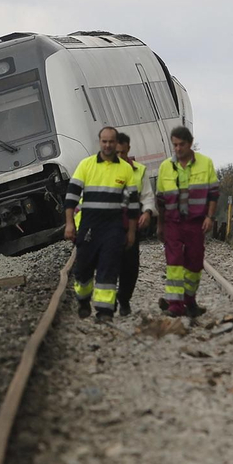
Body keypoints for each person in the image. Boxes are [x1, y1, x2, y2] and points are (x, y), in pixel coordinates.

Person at [64, 126, 139, 323]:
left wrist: (131, 232)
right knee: (83, 269)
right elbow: (71, 197)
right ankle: (83, 299)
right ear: (100, 142)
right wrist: (69, 224)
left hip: (112, 227)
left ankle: (105, 311)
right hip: (89, 225)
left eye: (111, 142)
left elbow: (132, 205)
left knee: (109, 267)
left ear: (116, 143)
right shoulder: (86, 165)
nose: (107, 145)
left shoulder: (125, 169)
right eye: (104, 141)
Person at [155, 125, 219, 319]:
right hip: (173, 221)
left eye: (181, 145)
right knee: (174, 263)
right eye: (174, 145)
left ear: (190, 144)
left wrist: (209, 217)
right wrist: (160, 225)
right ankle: (175, 304)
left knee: (194, 263)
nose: (177, 149)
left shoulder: (205, 164)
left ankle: (189, 299)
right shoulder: (166, 166)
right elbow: (160, 199)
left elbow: (213, 194)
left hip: (195, 222)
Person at [115, 131, 155, 316]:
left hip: (131, 226)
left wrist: (147, 212)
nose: (120, 157)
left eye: (123, 153)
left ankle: (123, 299)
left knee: (130, 266)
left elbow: (147, 196)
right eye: (116, 153)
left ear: (128, 150)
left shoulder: (139, 170)